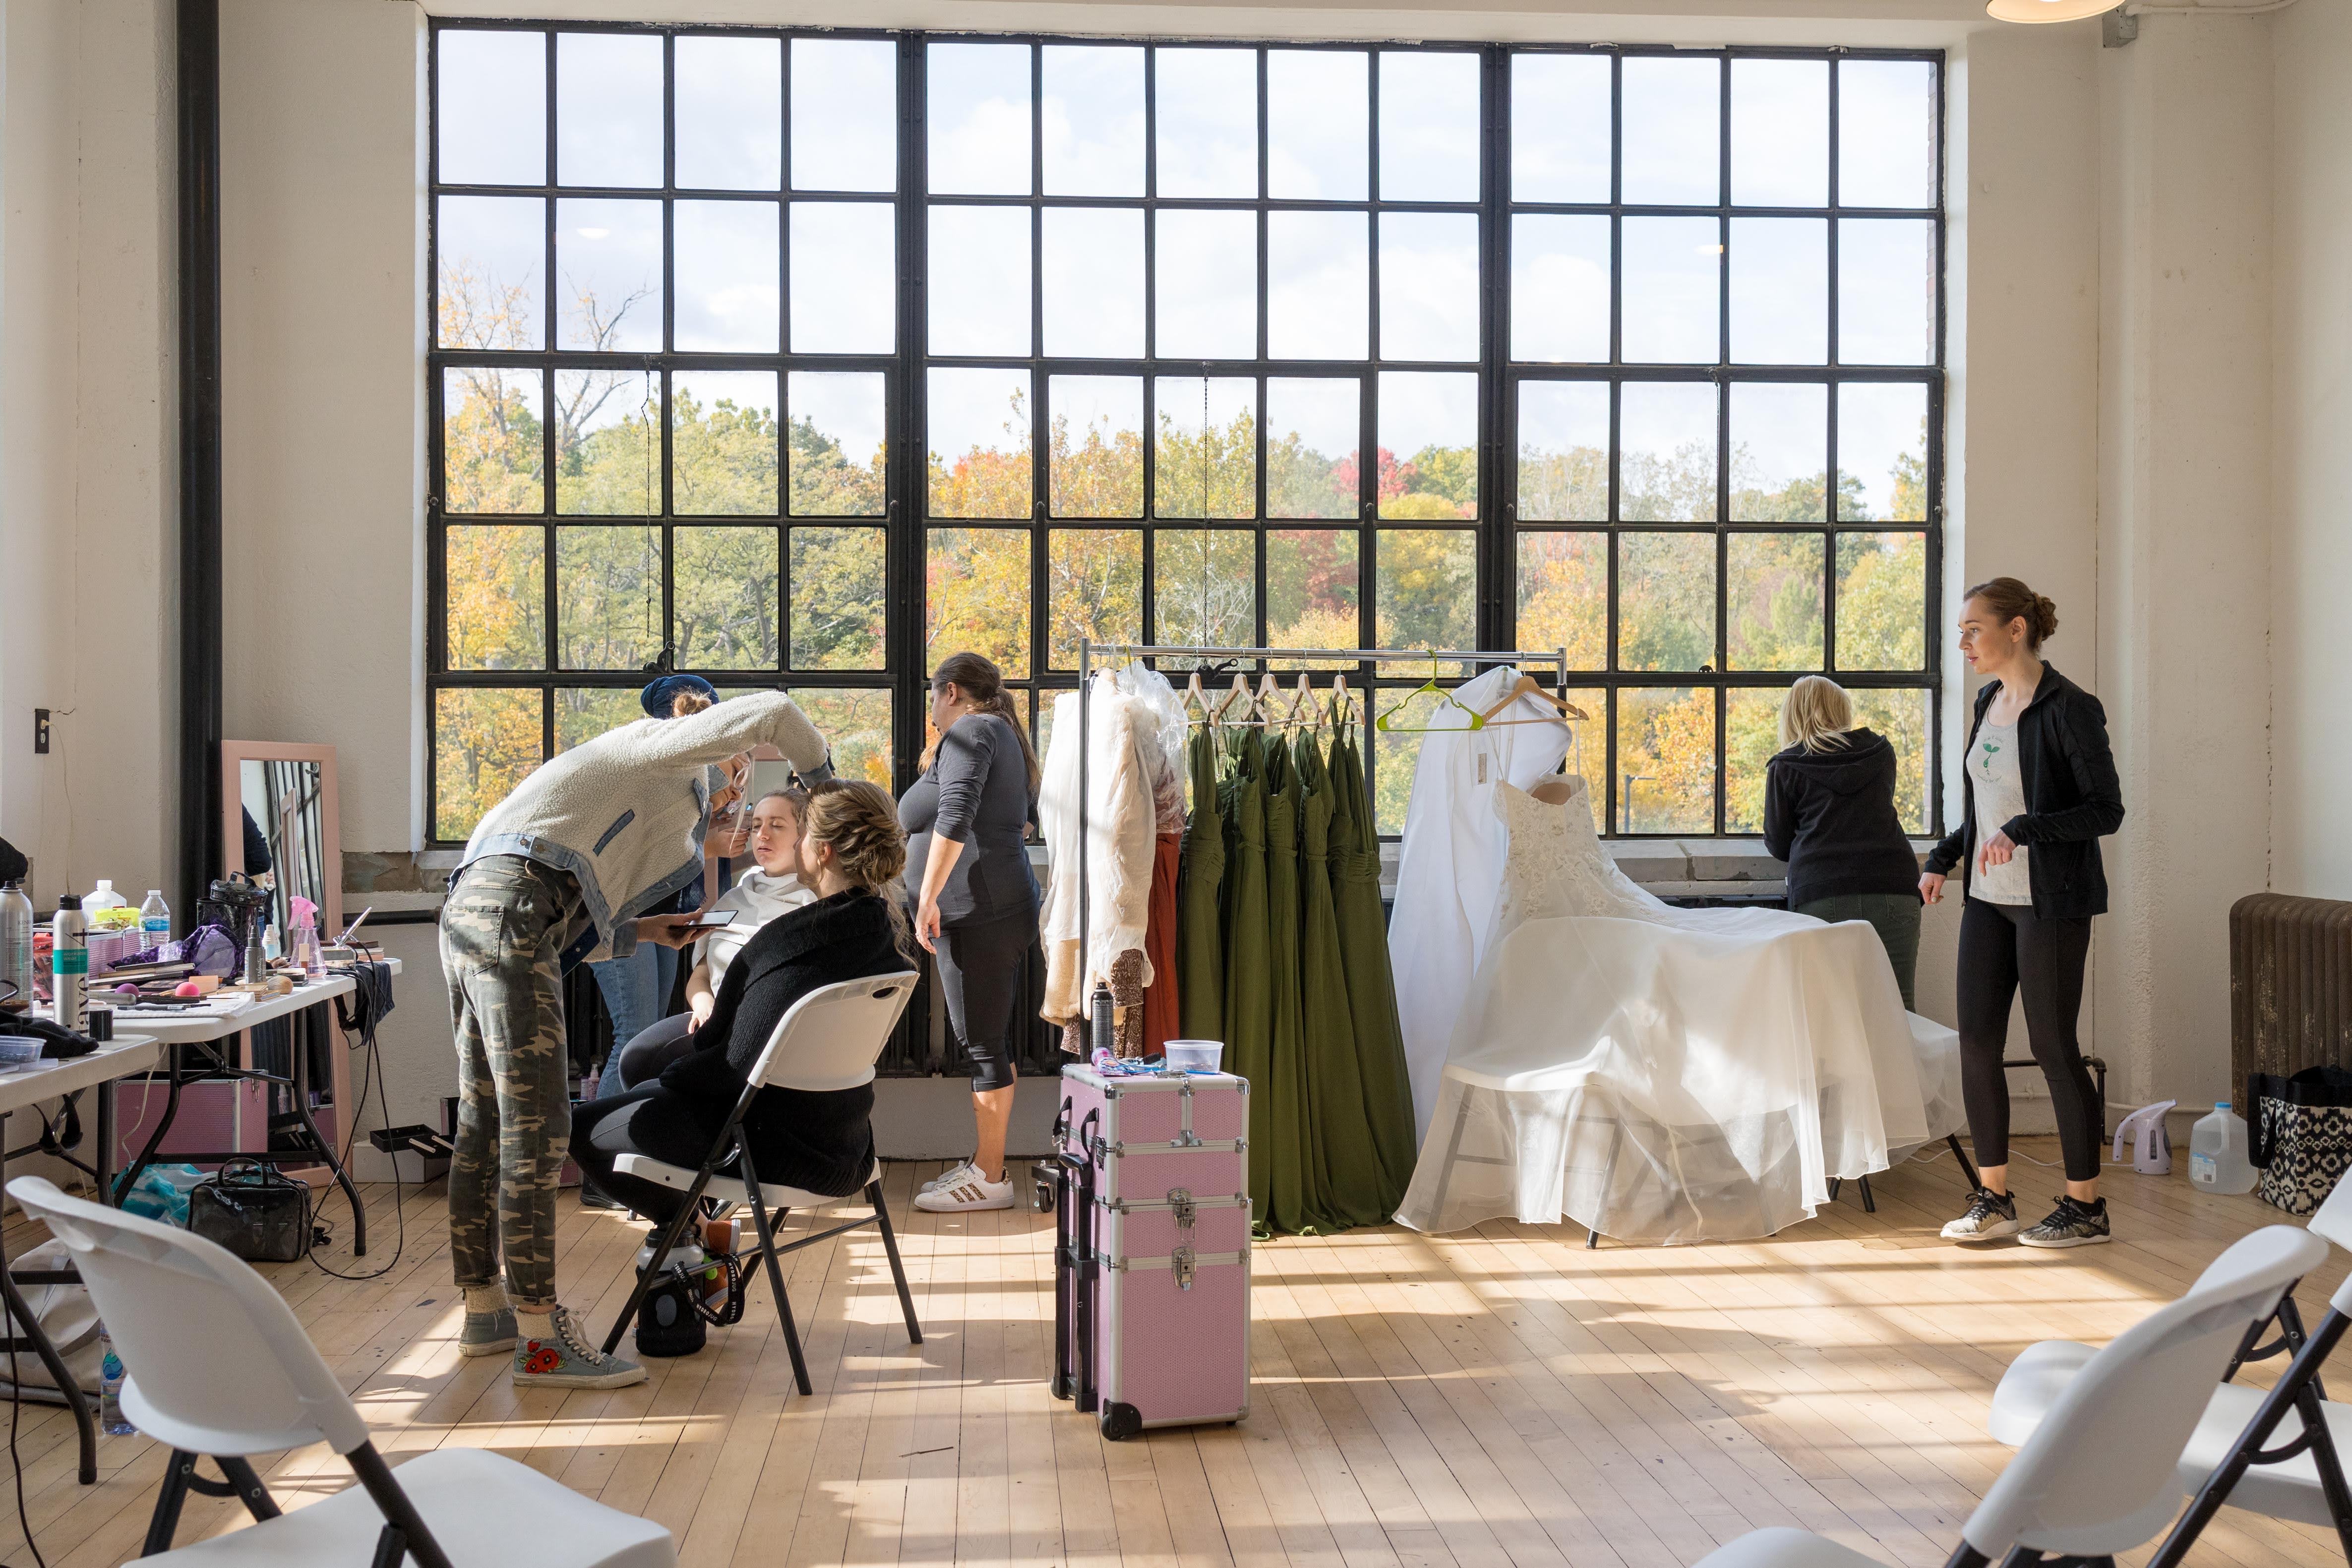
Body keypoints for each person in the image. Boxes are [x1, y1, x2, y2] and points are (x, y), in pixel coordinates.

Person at [442, 687, 832, 1389]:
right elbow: (777, 709)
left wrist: (643, 931)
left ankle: (485, 1311)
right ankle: (541, 1341)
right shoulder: (665, 752)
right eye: (740, 775)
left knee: (486, 1117)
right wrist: (826, 786)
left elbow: (561, 913)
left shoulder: (647, 789)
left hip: (481, 905)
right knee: (538, 1125)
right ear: (721, 747)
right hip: (512, 907)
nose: (738, 796)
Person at [570, 780, 913, 1230]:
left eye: (798, 833)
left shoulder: (786, 944)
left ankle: (692, 1235)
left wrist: (667, 1082)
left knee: (579, 1128)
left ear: (823, 851)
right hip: (844, 1140)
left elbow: (727, 1067)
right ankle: (695, 1238)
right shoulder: (880, 934)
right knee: (643, 1074)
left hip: (767, 1144)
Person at [1922, 578, 2125, 1250]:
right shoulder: (1987, 702)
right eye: (1960, 631)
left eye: (1972, 629)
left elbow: (2105, 811)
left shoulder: (2071, 708)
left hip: (2051, 903)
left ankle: (2085, 1207)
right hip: (1988, 900)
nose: (1962, 643)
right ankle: (1994, 1199)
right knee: (1976, 1043)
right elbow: (1984, 812)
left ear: (2015, 629)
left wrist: (2025, 830)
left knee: (2051, 1048)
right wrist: (1941, 857)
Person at [899, 652, 1042, 1214]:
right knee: (986, 1039)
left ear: (951, 691)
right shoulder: (997, 732)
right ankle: (986, 1164)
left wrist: (928, 897)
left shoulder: (973, 731)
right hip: (989, 907)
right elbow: (1020, 820)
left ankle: (990, 1177)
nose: (932, 711)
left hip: (980, 912)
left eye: (933, 698)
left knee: (983, 1043)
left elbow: (955, 814)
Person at [601, 786, 817, 1096]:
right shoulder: (734, 899)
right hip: (713, 1023)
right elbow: (701, 976)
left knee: (653, 1072)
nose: (762, 835)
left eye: (777, 825)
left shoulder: (813, 907)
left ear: (805, 835)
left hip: (767, 1034)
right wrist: (704, 1005)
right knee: (635, 1059)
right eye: (756, 825)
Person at [585, 676, 731, 1098]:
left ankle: (630, 1125)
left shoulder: (690, 767)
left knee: (648, 1034)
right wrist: (710, 841)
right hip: (618, 911)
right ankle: (605, 1133)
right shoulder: (651, 766)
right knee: (633, 1035)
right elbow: (646, 848)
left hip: (659, 910)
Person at [1762, 675, 1925, 1009]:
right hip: (1894, 885)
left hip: (1822, 890)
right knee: (1899, 1008)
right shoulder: (1881, 753)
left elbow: (1778, 844)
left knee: (1829, 1014)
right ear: (1841, 711)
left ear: (1792, 714)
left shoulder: (1786, 766)